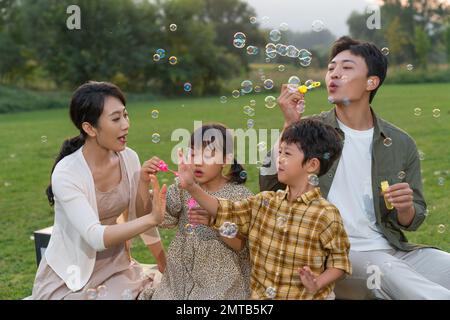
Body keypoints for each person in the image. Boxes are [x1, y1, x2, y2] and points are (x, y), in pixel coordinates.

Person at [259, 36, 450, 299]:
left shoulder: (401, 142)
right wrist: (290, 126)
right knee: (390, 273)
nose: (334, 74)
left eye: (346, 68)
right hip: (335, 257)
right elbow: (269, 186)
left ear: (372, 82)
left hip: (392, 248)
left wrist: (405, 207)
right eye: (331, 68)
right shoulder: (310, 131)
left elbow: (412, 219)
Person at [181, 119, 351, 300]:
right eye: (279, 152)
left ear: (312, 165)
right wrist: (192, 187)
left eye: (287, 153)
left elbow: (339, 262)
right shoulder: (264, 202)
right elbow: (225, 209)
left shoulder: (326, 214)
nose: (280, 159)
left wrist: (317, 283)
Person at [31, 81, 167, 300]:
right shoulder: (67, 172)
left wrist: (163, 263)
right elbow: (94, 236)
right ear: (90, 128)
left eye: (125, 115)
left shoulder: (129, 157)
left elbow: (139, 217)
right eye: (116, 119)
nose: (126, 124)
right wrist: (152, 218)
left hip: (117, 267)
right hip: (71, 275)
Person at [139, 123, 252, 300]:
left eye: (208, 155)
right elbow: (157, 217)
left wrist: (216, 222)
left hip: (219, 276)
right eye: (193, 154)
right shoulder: (183, 188)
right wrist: (144, 182)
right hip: (181, 273)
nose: (198, 161)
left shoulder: (239, 195)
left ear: (225, 160)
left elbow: (240, 245)